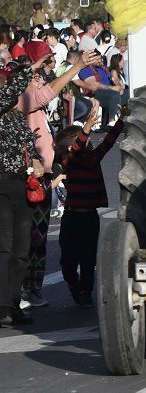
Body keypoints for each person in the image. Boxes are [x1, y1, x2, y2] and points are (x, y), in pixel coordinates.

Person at [17, 48, 101, 308]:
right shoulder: (24, 101)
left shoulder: (36, 108)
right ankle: (19, 290)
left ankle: (33, 289)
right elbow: (49, 91)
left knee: (39, 239)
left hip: (44, 179)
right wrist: (76, 68)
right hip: (27, 179)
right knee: (24, 239)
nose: (41, 80)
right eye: (36, 77)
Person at [0, 55, 52, 326]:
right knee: (4, 249)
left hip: (23, 185)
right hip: (2, 184)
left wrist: (37, 164)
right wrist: (30, 69)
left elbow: (30, 150)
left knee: (21, 250)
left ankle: (11, 304)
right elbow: (8, 93)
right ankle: (1, 306)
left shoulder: (18, 120)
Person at [54, 107, 122, 306]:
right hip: (71, 217)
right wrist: (87, 128)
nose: (90, 141)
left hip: (89, 218)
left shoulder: (93, 158)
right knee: (67, 260)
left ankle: (86, 292)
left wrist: (122, 120)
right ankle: (74, 286)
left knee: (88, 259)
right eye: (84, 139)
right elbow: (76, 150)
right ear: (70, 147)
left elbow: (109, 141)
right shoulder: (69, 161)